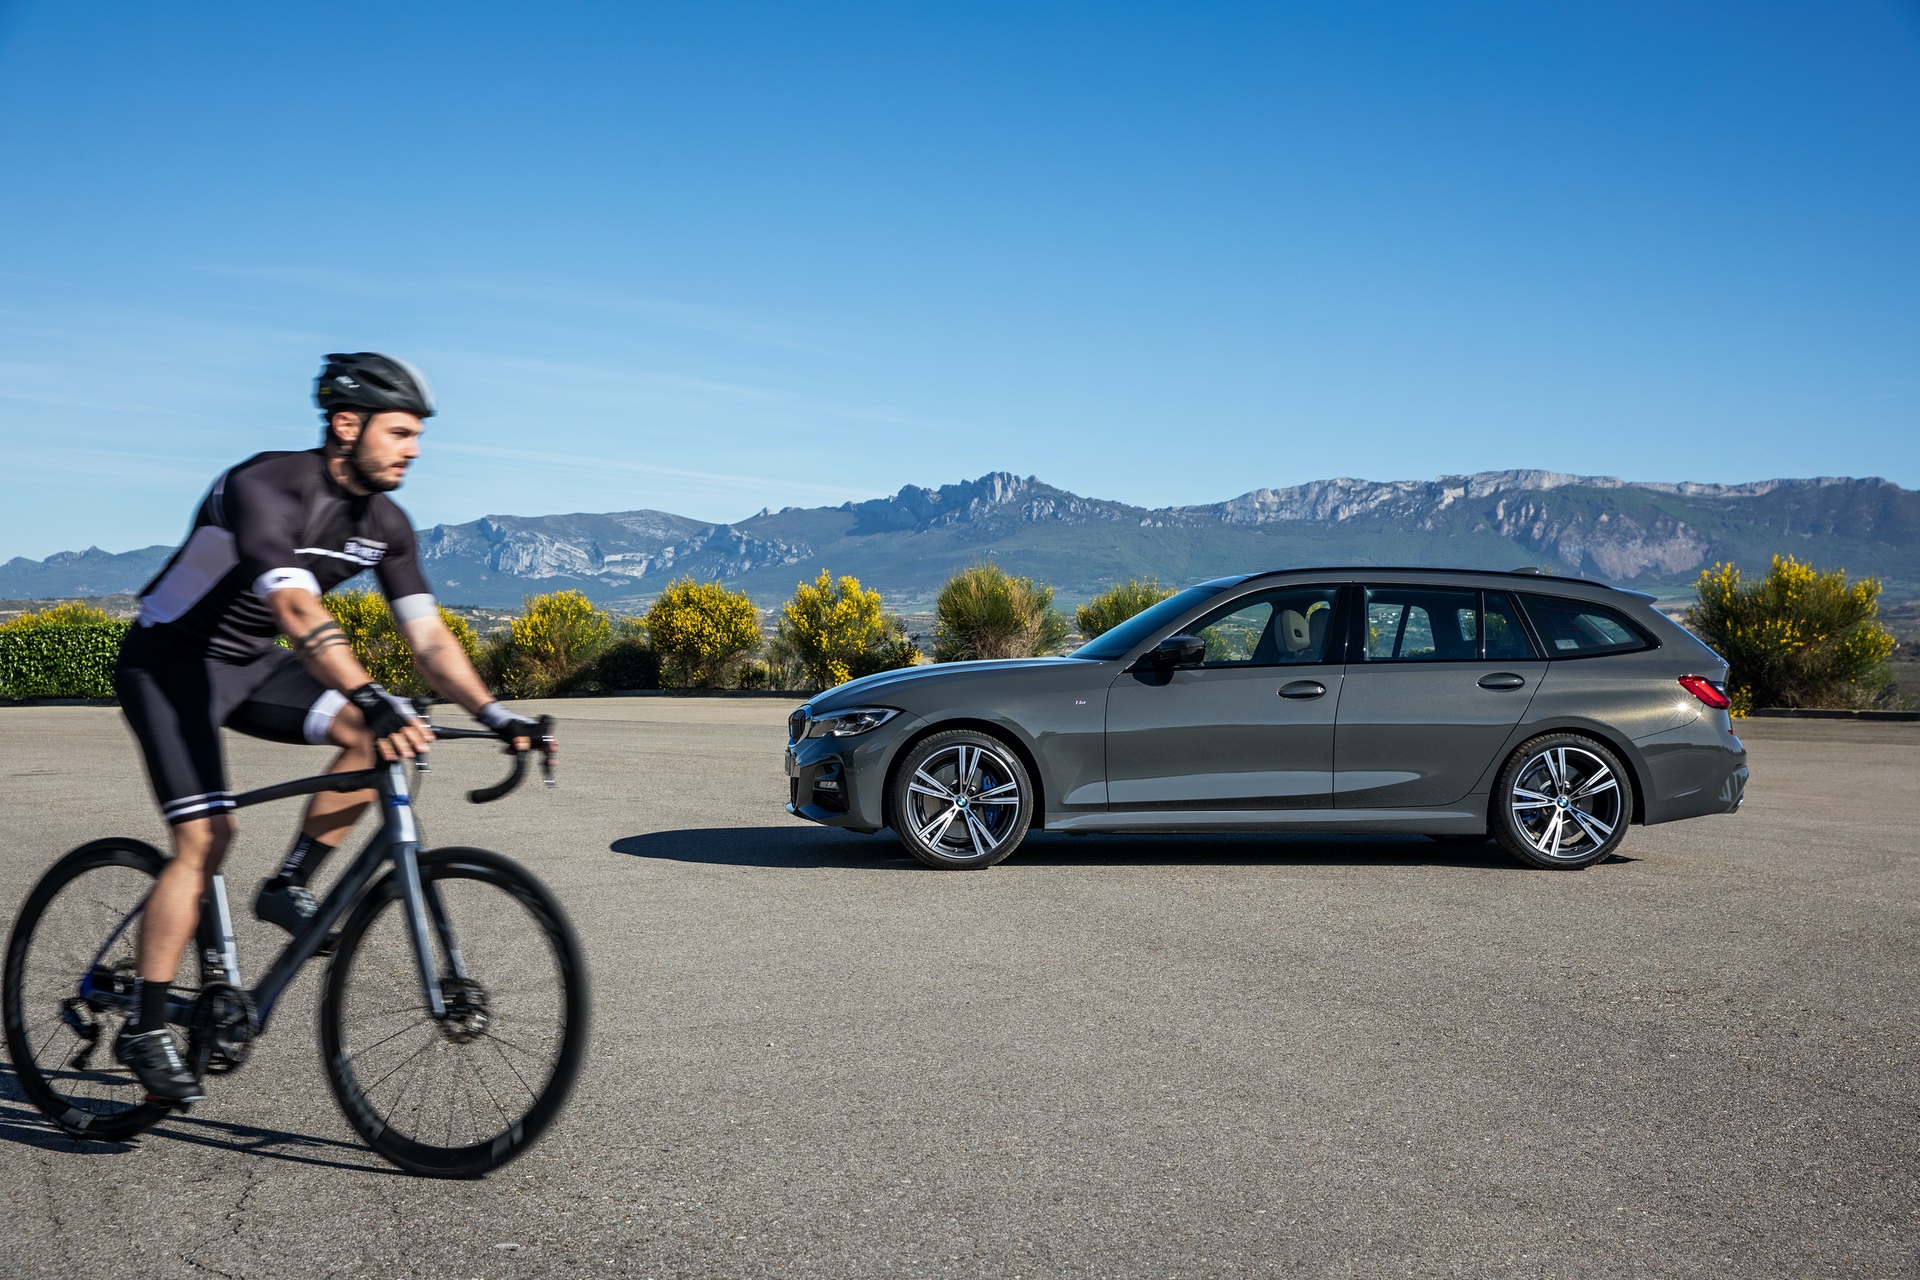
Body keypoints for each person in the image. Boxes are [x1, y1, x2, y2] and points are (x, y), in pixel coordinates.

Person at [110, 352, 548, 1104]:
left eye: (419, 435)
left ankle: (289, 884)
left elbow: (429, 639)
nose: (415, 449)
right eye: (401, 432)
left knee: (376, 736)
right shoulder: (265, 486)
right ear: (347, 425)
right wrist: (369, 691)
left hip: (252, 663)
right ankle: (146, 1027)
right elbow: (294, 607)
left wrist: (496, 713)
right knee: (207, 839)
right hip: (169, 662)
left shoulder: (386, 524)